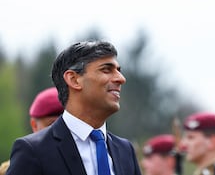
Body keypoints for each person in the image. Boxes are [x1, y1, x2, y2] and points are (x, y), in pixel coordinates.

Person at [6, 40, 142, 175]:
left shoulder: (125, 151)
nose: (121, 79)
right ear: (74, 79)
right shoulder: (34, 150)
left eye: (118, 70)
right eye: (106, 69)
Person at [0, 86, 64, 175]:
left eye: (65, 125)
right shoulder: (16, 167)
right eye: (51, 124)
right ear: (34, 125)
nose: (61, 130)